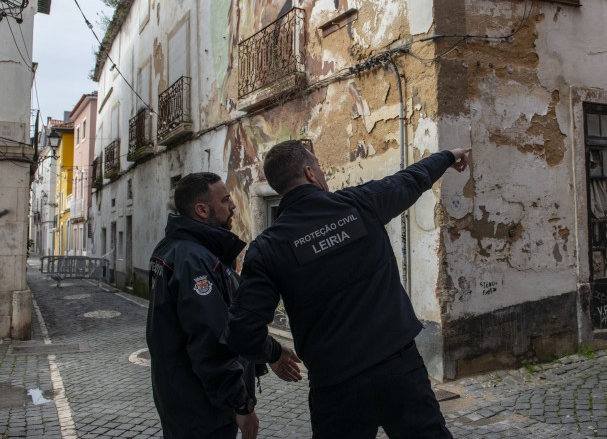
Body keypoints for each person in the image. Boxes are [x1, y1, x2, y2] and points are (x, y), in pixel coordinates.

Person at [227, 141, 471, 438]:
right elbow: (410, 179)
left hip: (334, 386)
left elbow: (242, 332)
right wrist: (447, 157)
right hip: (400, 369)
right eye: (318, 166)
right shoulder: (360, 203)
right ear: (309, 172)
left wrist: (274, 353)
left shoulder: (267, 249)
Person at [146, 172, 301, 439]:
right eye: (226, 200)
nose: (232, 206)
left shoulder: (177, 250)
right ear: (202, 210)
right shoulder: (193, 260)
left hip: (186, 403)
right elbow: (213, 340)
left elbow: (227, 323)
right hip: (203, 410)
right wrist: (240, 405)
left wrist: (270, 352)